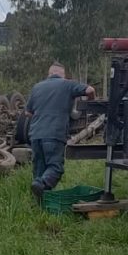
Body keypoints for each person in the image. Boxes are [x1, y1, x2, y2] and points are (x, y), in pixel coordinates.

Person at [25, 62, 95, 203]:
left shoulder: (37, 87)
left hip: (36, 134)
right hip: (54, 133)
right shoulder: (67, 84)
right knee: (55, 168)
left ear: (49, 74)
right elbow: (90, 90)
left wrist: (42, 117)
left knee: (39, 170)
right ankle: (42, 184)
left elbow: (27, 112)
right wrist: (90, 103)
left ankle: (39, 204)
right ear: (62, 75)